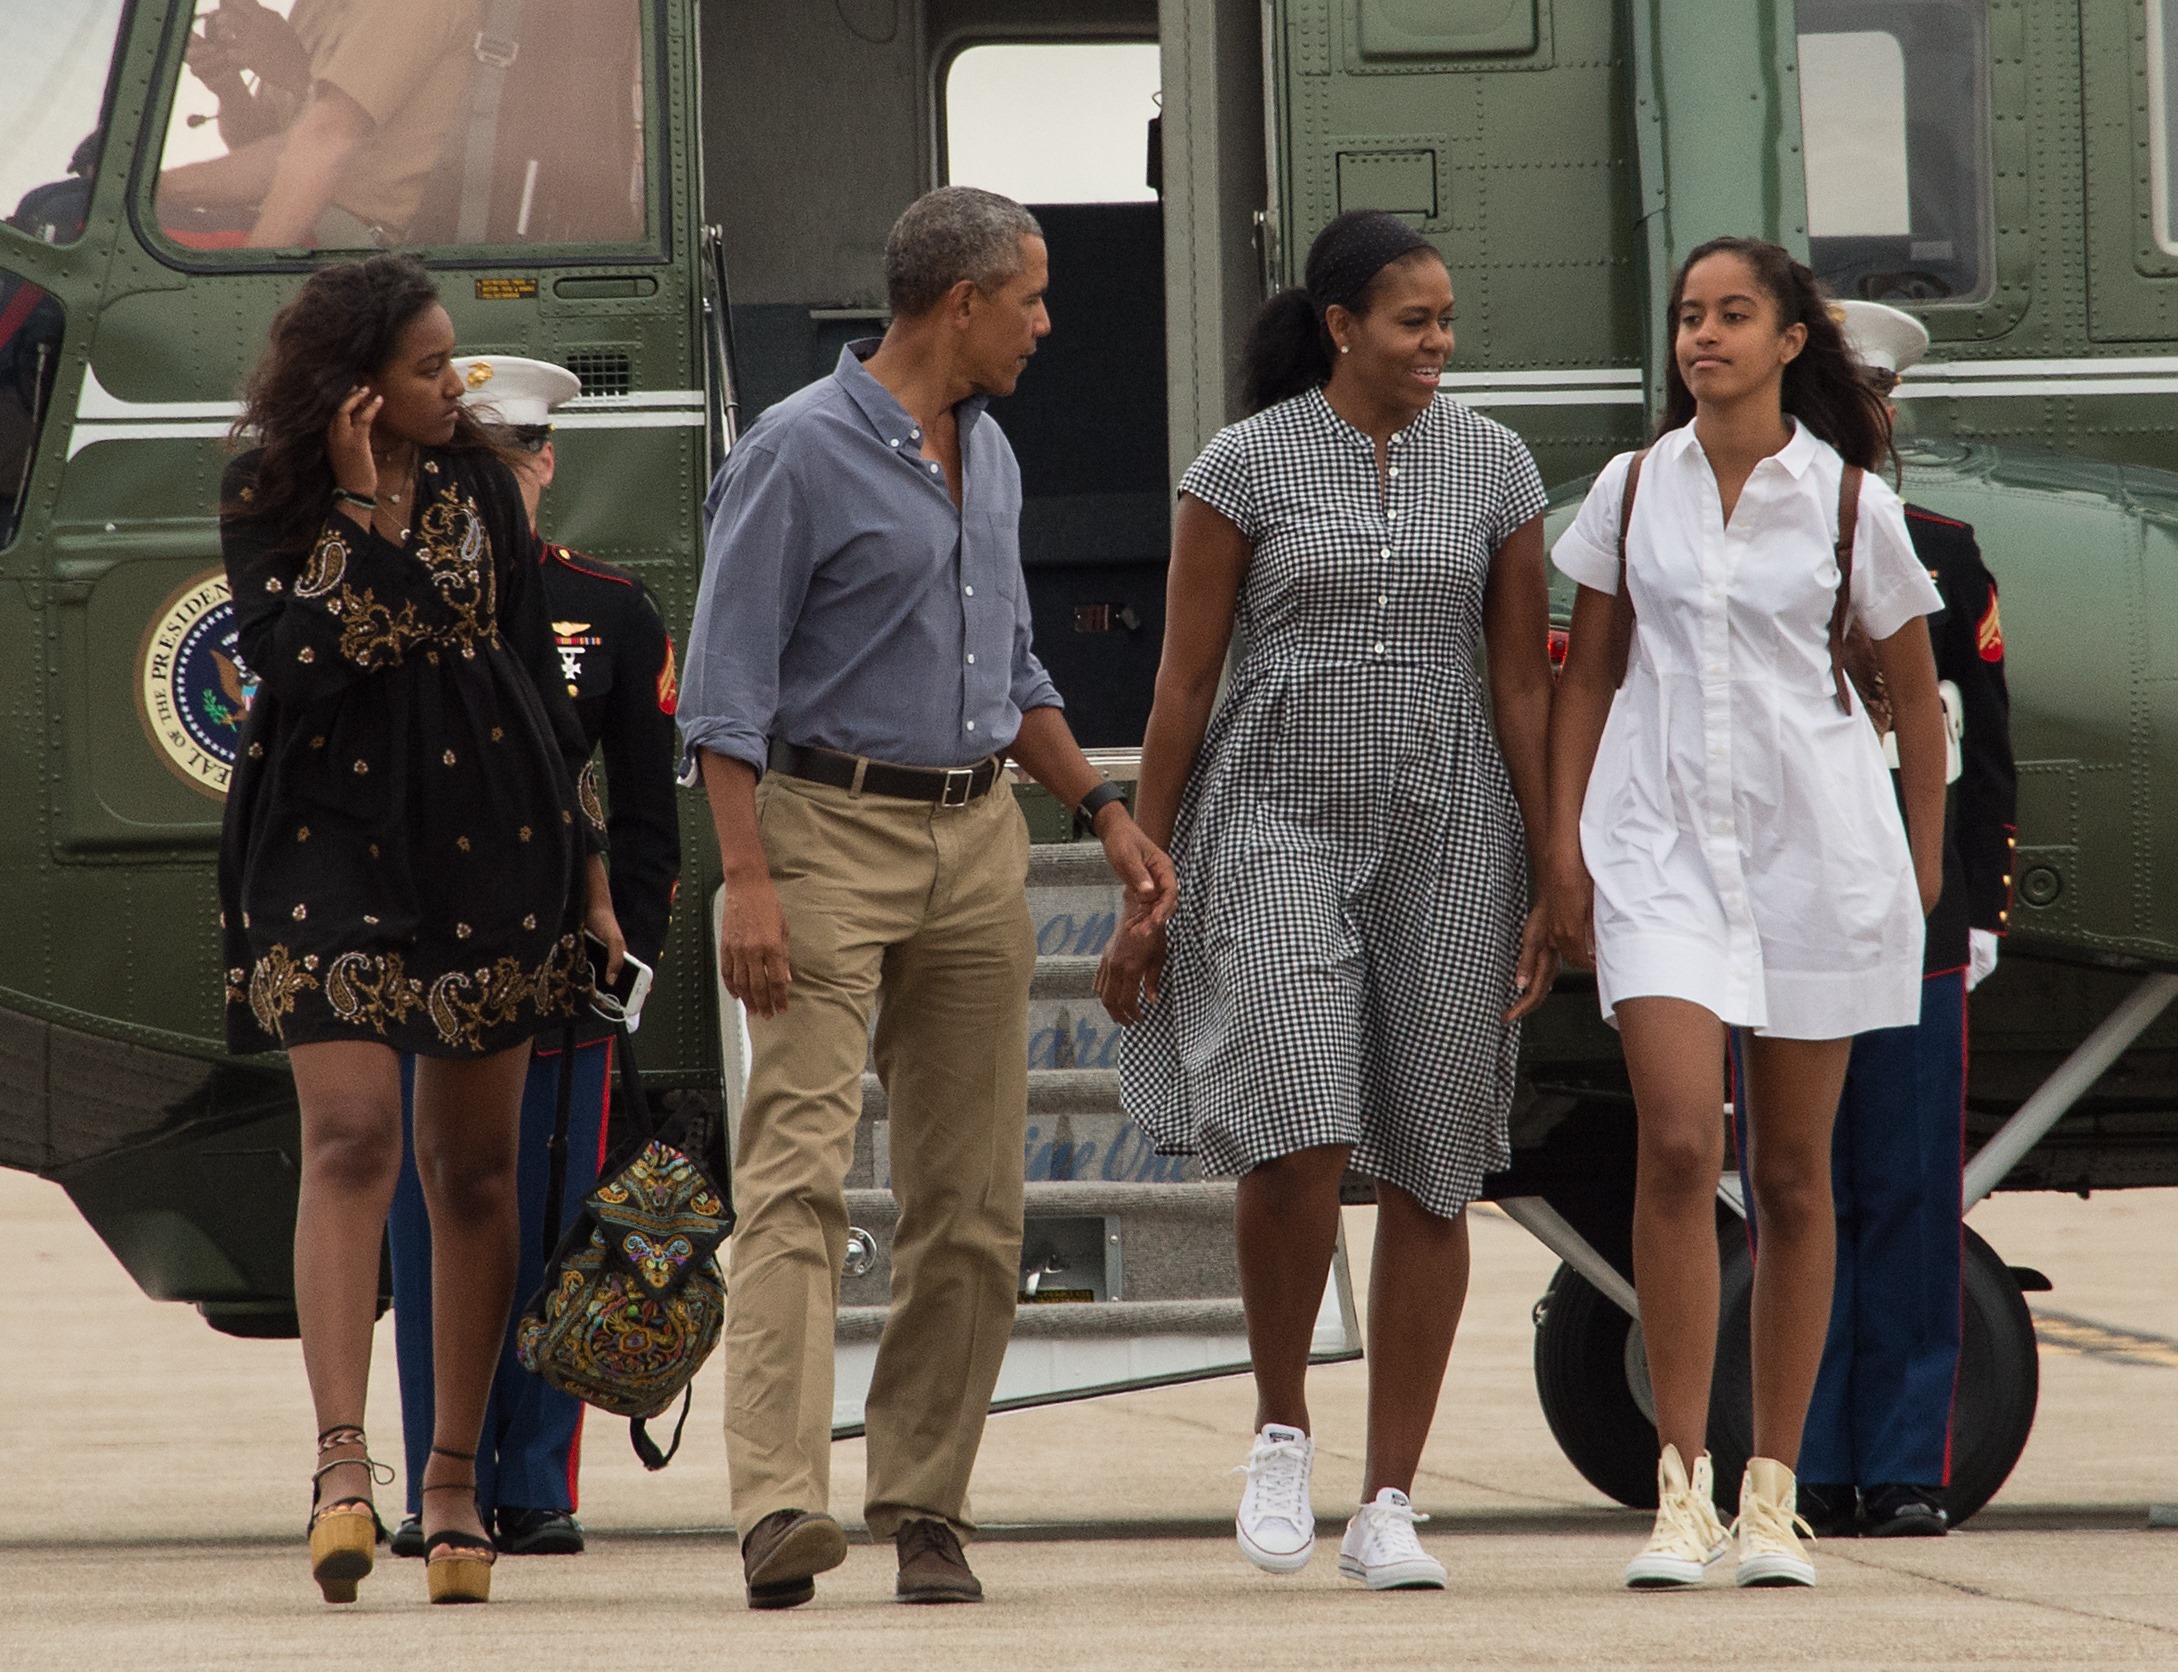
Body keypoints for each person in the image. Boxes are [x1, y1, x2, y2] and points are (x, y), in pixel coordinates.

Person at [678, 185, 1176, 1610]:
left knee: (971, 1203)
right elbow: (723, 700)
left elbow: (1014, 673)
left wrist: (1101, 807)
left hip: (976, 843)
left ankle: (925, 1507)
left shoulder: (996, 454)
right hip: (825, 832)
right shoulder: (797, 453)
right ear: (959, 303)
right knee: (799, 1174)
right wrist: (749, 883)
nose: (1045, 321)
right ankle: (779, 1503)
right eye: (1029, 296)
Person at [1096, 209, 1557, 1592]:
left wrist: (1557, 865)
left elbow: (1523, 683)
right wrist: (1149, 875)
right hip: (1273, 815)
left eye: (1447, 322)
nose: (1440, 344)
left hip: (1452, 824)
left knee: (1432, 1156)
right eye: (1415, 320)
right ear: (1343, 324)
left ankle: (1393, 1499)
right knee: (1294, 1134)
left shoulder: (1498, 465)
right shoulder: (1239, 467)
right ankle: (1283, 1427)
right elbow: (1180, 682)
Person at [1543, 237, 1948, 1590]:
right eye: (1687, 317)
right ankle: (1680, 1488)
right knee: (1673, 1142)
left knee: (1790, 1175)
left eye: (1732, 316)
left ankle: (1773, 1494)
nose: (1702, 336)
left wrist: (1927, 864)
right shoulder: (1629, 487)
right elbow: (1589, 672)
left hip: (1814, 853)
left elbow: (1919, 696)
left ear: (1787, 343)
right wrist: (1563, 848)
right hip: (1656, 844)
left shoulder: (1845, 505)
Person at [217, 254, 621, 1606]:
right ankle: (343, 1467)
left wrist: (595, 875)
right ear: (357, 391)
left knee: (476, 1173)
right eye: (431, 367)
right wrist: (347, 500)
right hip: (329, 838)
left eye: (456, 361)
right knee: (350, 1139)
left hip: (495, 836)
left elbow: (531, 681)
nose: (460, 385)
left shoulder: (481, 489)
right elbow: (306, 659)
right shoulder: (270, 494)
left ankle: (452, 1478)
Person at [385, 355, 683, 1560]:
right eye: (483, 455)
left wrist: (638, 961)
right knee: (431, 1212)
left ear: (549, 462)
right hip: (437, 959)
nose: (507, 475)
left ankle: (531, 1475)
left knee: (560, 1216)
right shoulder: (407, 601)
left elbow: (652, 816)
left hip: (569, 961)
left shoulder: (610, 610)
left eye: (523, 453)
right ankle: (431, 1476)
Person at [1733, 300, 2018, 1540]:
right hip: (1785, 902)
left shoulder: (1943, 552)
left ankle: (1902, 1464)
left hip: (1912, 910)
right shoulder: (1737, 539)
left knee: (1905, 1190)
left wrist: (1974, 904)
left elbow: (1982, 743)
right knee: (1797, 1187)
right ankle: (1807, 1460)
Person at [157, 0, 479, 248]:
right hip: (294, 216)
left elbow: (327, 139)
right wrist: (229, 87)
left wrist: (248, 271)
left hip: (350, 241)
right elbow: (269, 156)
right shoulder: (313, 9)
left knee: (128, 234)